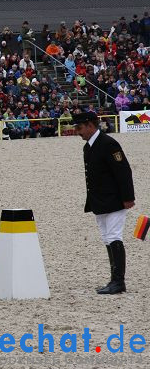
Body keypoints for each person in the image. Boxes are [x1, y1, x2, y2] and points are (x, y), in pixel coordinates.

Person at [72, 111, 135, 295]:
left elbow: (123, 171)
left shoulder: (109, 144)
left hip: (115, 200)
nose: (78, 131)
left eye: (80, 127)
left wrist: (128, 197)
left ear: (91, 126)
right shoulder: (88, 147)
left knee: (114, 236)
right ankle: (114, 279)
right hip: (100, 201)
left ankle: (118, 281)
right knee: (107, 238)